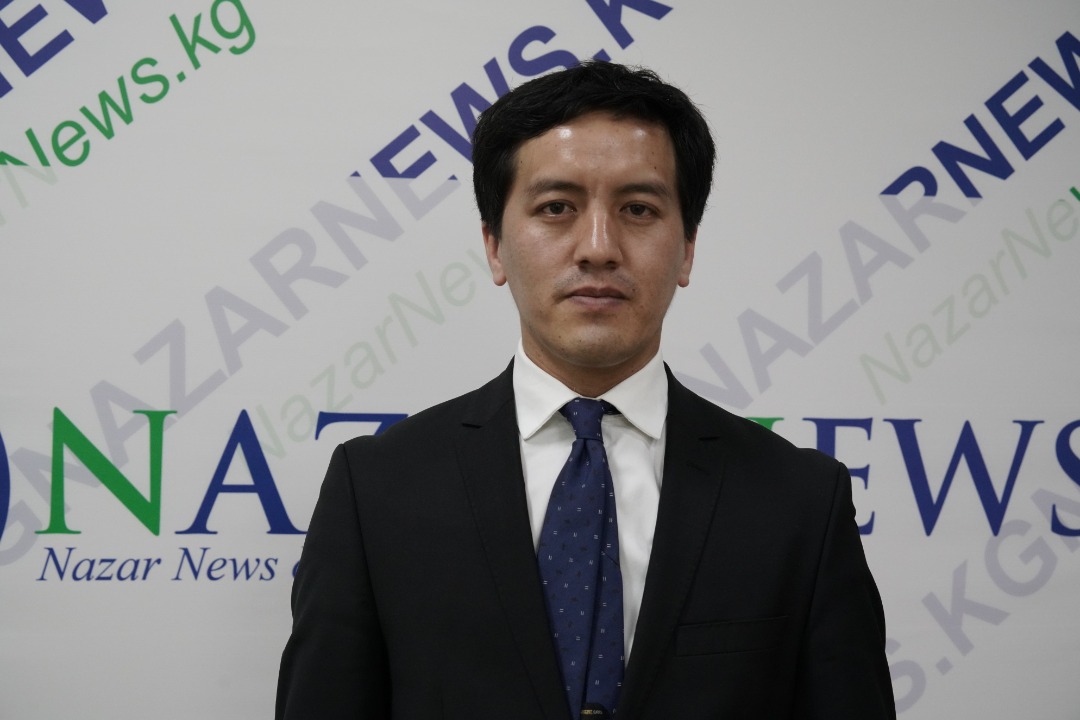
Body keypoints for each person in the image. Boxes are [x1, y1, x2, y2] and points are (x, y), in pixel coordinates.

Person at [276, 61, 895, 719]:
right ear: (494, 246)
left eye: (638, 209)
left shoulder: (799, 503)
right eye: (556, 208)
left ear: (687, 248)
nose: (598, 247)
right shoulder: (377, 490)